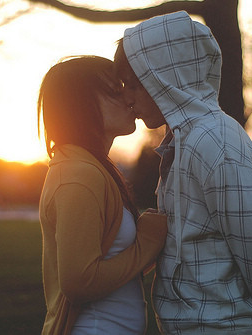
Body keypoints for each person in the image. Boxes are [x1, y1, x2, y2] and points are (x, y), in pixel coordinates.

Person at [114, 11, 252, 335]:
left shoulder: (216, 144)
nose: (126, 96)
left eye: (134, 84)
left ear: (165, 77)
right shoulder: (184, 141)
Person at [37, 56, 168, 335]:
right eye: (116, 91)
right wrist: (146, 244)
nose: (129, 98)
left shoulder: (87, 167)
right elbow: (79, 282)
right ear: (80, 105)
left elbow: (108, 268)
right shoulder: (77, 176)